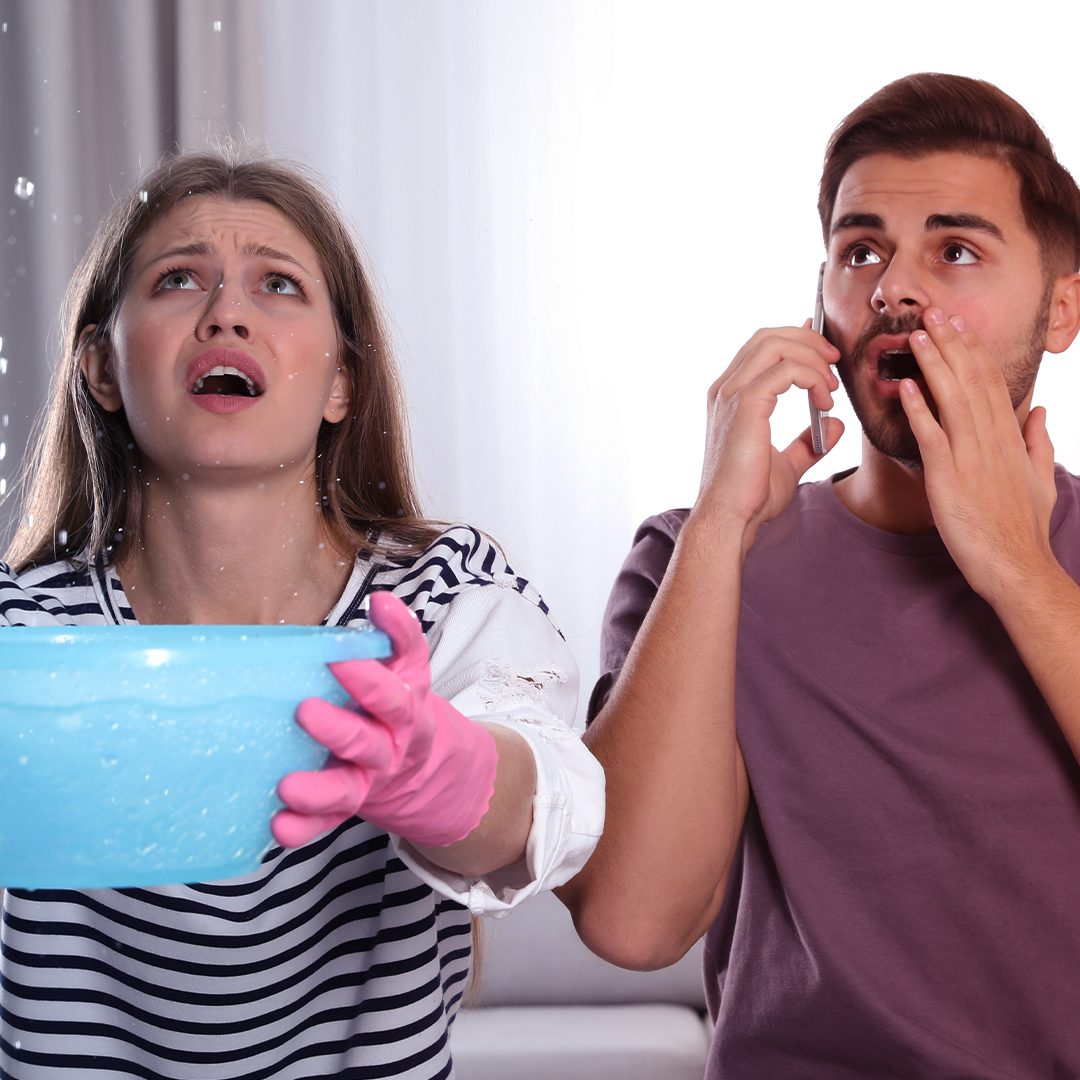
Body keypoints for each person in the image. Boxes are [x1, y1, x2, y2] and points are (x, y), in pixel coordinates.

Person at [0, 149, 604, 1079]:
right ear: (102, 368)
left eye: (278, 285)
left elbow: (548, 790)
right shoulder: (24, 631)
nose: (226, 313)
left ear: (341, 383)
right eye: (177, 280)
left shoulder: (441, 595)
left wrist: (452, 774)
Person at [558, 72, 1080, 1078]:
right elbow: (633, 922)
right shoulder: (695, 557)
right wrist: (719, 530)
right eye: (861, 251)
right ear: (820, 308)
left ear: (1061, 311)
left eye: (955, 250)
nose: (894, 289)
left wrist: (1017, 568)